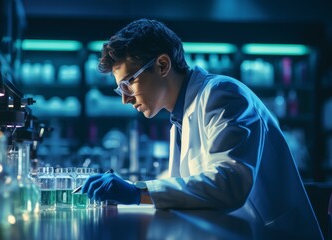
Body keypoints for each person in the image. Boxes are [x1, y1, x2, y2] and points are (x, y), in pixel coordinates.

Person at [81, 18, 322, 238]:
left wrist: (137, 191)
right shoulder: (179, 116)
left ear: (163, 65)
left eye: (127, 84)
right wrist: (132, 189)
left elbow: (229, 183)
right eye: (119, 89)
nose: (125, 99)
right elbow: (189, 182)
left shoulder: (223, 94)